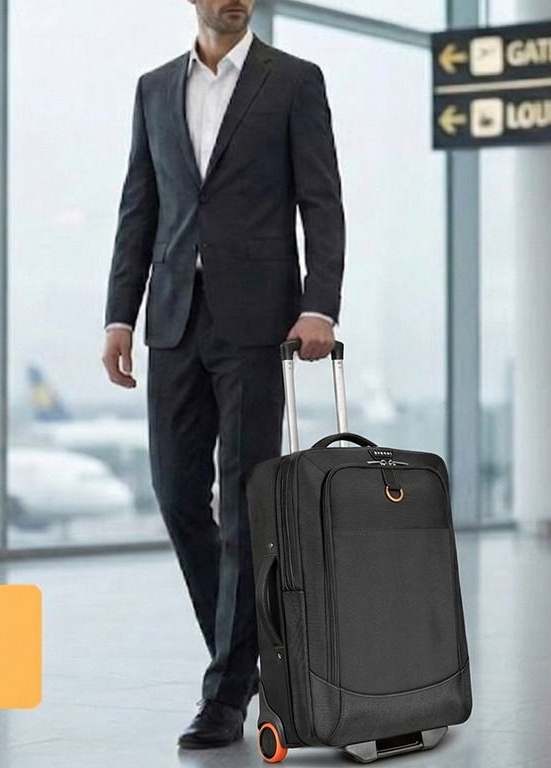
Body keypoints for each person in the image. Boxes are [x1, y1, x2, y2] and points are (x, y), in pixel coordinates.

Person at [100, 0, 345, 750]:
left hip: (257, 322)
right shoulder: (153, 88)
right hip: (173, 320)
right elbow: (139, 209)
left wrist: (319, 307)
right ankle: (251, 664)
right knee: (175, 493)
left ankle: (223, 697)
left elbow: (321, 203)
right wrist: (120, 316)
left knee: (246, 506)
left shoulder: (294, 81)